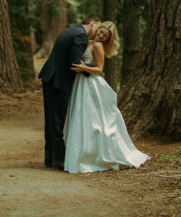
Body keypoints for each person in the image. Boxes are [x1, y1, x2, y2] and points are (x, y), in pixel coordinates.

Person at [63, 21, 149, 173]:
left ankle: (92, 156)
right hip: (80, 82)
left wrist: (84, 67)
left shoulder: (97, 46)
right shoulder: (88, 41)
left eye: (105, 36)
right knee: (81, 116)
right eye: (101, 32)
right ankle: (80, 153)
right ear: (98, 28)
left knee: (92, 118)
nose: (101, 36)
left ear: (108, 39)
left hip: (89, 83)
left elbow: (99, 68)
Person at [38, 18, 101, 169]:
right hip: (59, 81)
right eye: (98, 27)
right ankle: (58, 158)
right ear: (92, 22)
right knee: (57, 119)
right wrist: (92, 73)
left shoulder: (71, 30)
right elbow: (74, 63)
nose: (97, 32)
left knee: (51, 119)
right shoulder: (81, 35)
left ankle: (50, 155)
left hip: (51, 77)